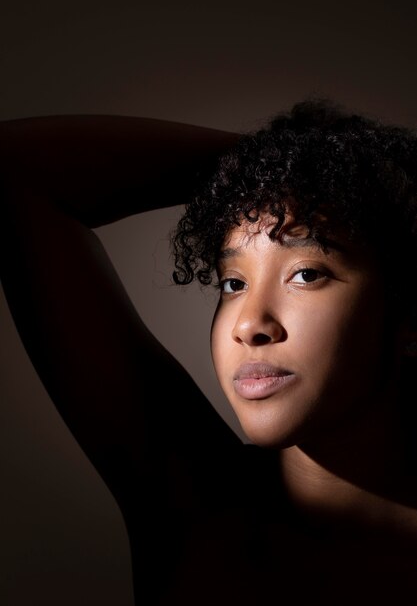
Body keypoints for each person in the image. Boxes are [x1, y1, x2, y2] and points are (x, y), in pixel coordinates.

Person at [1, 98, 417, 605]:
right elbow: (13, 164)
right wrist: (286, 161)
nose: (248, 324)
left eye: (306, 274)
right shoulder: (190, 505)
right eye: (233, 283)